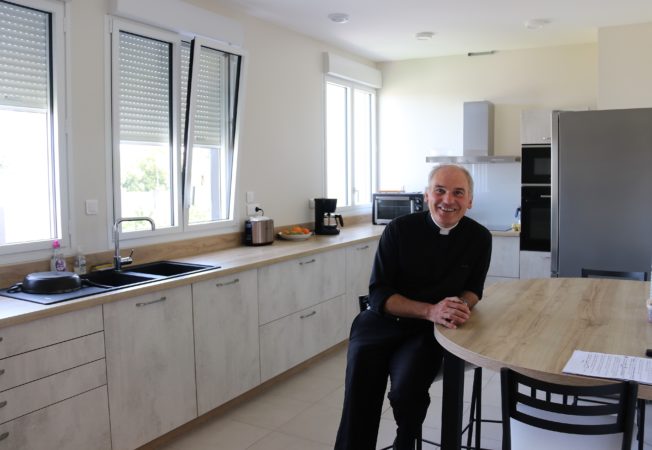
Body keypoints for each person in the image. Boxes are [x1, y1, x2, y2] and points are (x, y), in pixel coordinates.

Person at [334, 164, 492, 450]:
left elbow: (474, 289)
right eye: (440, 191)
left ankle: (405, 441)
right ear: (427, 195)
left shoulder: (480, 237)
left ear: (469, 200)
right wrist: (431, 310)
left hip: (425, 332)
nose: (448, 200)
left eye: (458, 193)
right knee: (361, 395)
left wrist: (459, 304)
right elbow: (379, 293)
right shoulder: (399, 229)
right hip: (380, 323)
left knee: (407, 392)